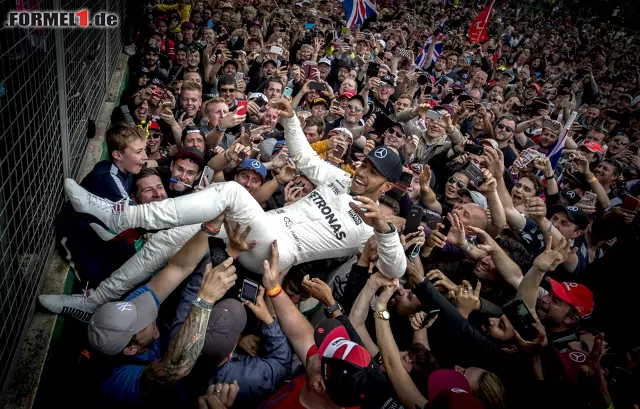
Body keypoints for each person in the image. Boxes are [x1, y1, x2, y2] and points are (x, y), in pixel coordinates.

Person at [42, 98, 407, 319]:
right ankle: (97, 300)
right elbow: (307, 158)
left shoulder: (372, 227)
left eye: (373, 174)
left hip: (272, 254)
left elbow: (396, 269)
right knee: (168, 240)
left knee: (230, 191)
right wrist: (292, 119)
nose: (362, 174)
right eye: (364, 165)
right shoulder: (341, 181)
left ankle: (119, 215)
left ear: (386, 186)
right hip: (253, 227)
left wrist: (386, 232)